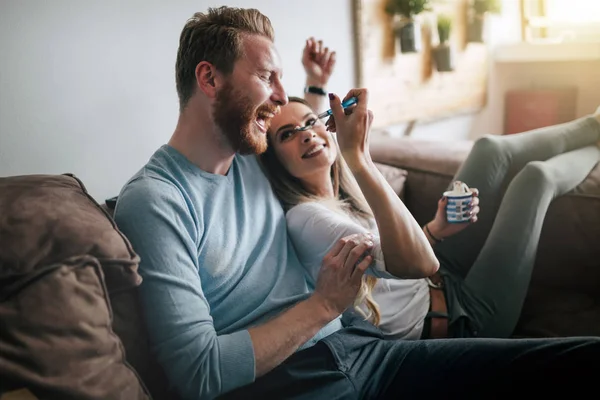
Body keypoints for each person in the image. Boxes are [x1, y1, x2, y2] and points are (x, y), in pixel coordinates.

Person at [114, 6, 600, 400]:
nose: (281, 96)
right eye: (267, 78)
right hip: (302, 381)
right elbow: (198, 374)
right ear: (210, 79)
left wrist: (317, 88)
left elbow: (297, 126)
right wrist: (324, 303)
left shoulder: (251, 156)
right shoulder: (158, 201)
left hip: (362, 348)